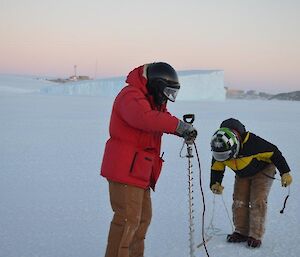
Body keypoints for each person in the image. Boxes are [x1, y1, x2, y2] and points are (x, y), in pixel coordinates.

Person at [100, 62, 197, 257]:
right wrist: (178, 126)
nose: (168, 97)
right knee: (127, 220)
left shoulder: (150, 99)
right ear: (157, 84)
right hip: (125, 168)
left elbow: (161, 117)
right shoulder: (130, 95)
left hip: (139, 169)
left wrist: (181, 131)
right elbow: (145, 118)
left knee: (142, 219)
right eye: (167, 91)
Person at [209, 118, 292, 248]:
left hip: (263, 171)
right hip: (242, 173)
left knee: (257, 201)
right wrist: (215, 183)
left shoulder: (254, 144)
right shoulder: (220, 147)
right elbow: (217, 167)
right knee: (239, 201)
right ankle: (241, 232)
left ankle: (255, 235)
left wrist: (285, 172)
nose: (223, 159)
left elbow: (274, 153)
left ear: (235, 145)